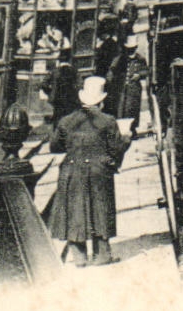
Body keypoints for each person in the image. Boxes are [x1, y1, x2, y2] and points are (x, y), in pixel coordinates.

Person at [48, 76, 129, 266]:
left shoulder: (67, 121)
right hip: (98, 170)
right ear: (102, 101)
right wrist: (127, 139)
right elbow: (116, 148)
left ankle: (79, 256)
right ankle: (102, 255)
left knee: (75, 209)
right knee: (100, 208)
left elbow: (55, 146)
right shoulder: (108, 121)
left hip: (72, 170)